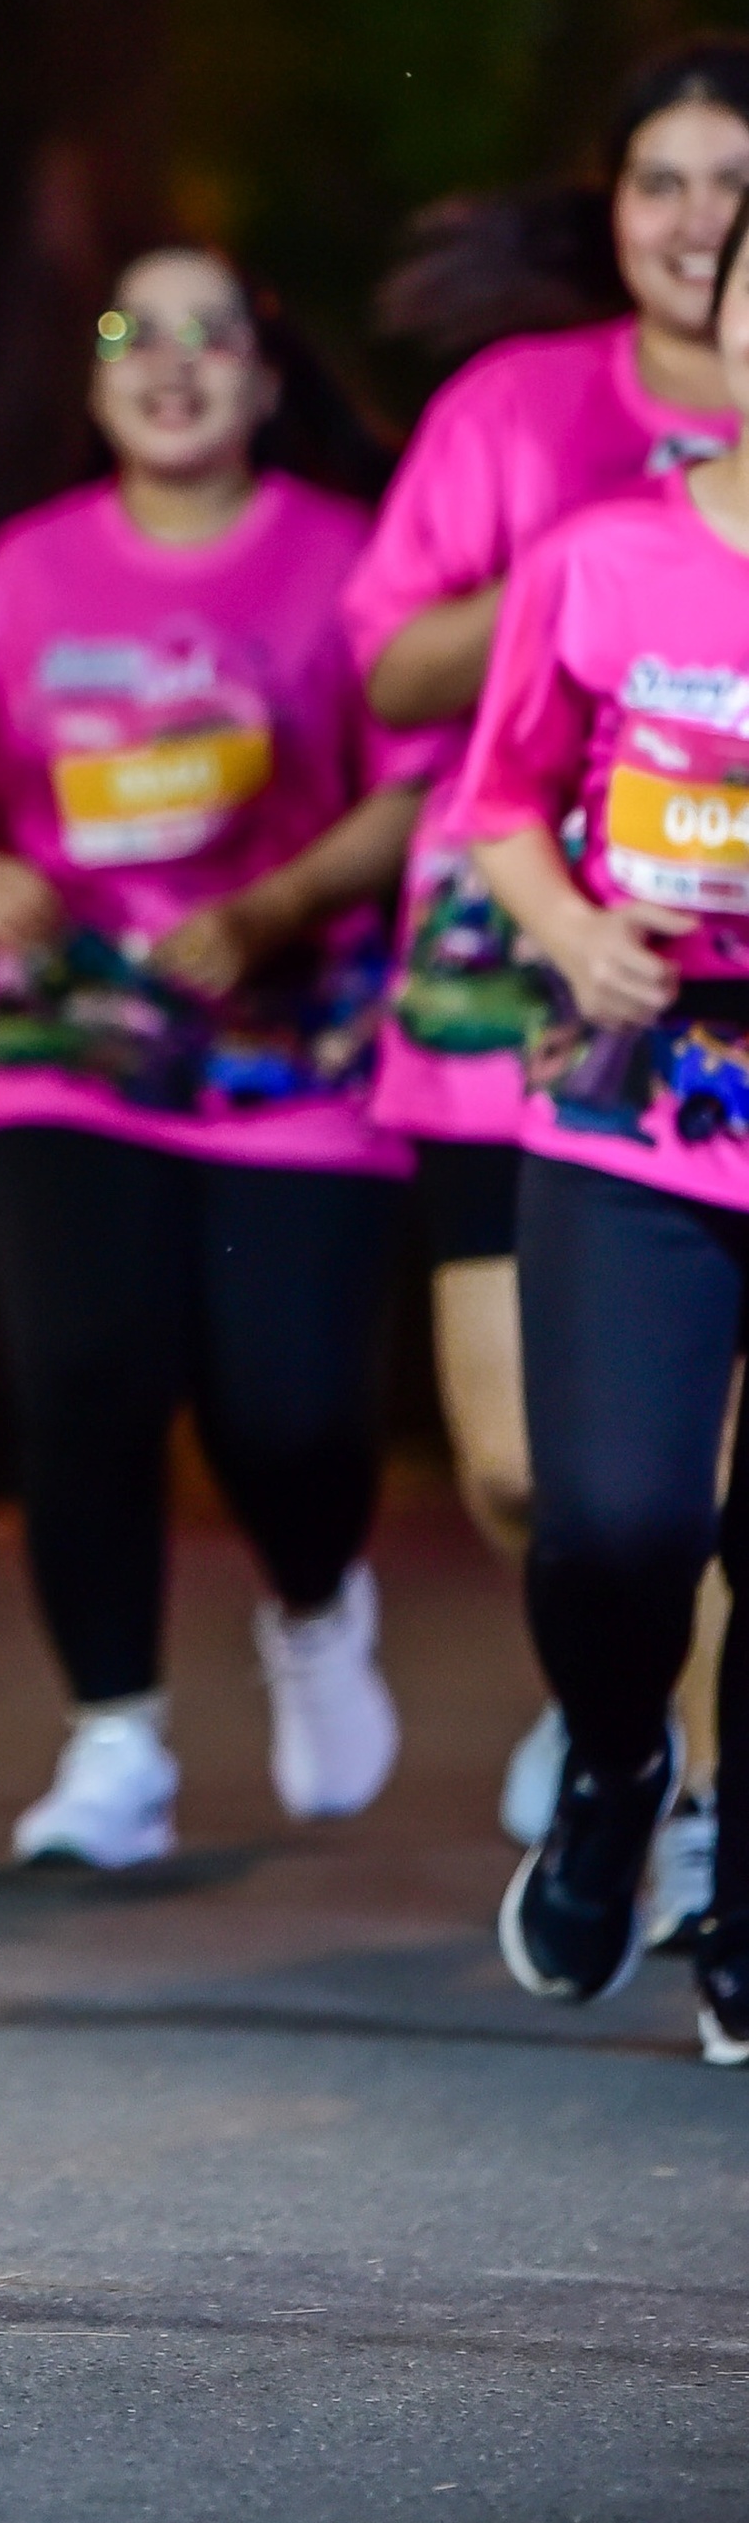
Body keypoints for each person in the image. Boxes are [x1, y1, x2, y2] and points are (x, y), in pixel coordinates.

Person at [0, 248, 424, 1866]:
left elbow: (416, 786)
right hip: (70, 1032)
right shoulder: (26, 570)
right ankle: (112, 1741)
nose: (171, 361)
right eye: (136, 331)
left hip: (296, 1036)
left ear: (264, 380)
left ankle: (315, 1606)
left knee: (289, 1415)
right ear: (97, 376)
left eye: (213, 334)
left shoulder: (348, 559)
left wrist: (276, 906)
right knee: (85, 1381)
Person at [347, 48, 749, 1937]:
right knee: (540, 1478)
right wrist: (589, 586)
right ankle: (619, 1710)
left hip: (708, 1024)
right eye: (661, 181)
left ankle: (702, 1834)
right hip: (524, 978)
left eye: (726, 181)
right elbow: (393, 682)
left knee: (699, 1486)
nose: (691, 218)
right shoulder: (525, 420)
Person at [456, 183, 749, 2062]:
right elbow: (497, 803)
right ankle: (618, 1762)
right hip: (631, 1095)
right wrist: (570, 930)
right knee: (618, 1526)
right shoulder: (601, 559)